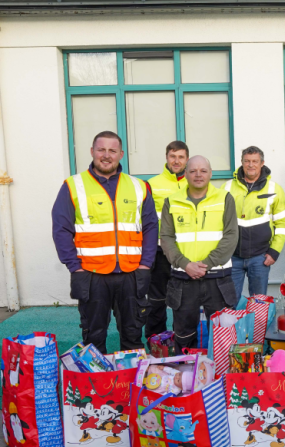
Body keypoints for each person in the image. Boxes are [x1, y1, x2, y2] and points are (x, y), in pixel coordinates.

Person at [52, 131, 157, 353]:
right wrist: (75, 267)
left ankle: (130, 384)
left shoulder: (139, 187)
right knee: (93, 336)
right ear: (92, 152)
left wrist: (146, 265)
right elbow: (61, 229)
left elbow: (150, 228)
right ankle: (96, 385)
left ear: (121, 154)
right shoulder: (73, 186)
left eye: (112, 150)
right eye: (101, 149)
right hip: (90, 274)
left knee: (132, 334)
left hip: (131, 273)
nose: (106, 155)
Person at [160, 155, 239, 351]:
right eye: (193, 171)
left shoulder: (225, 198)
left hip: (218, 279)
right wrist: (185, 264)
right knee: (183, 333)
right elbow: (166, 237)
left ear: (210, 174)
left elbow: (231, 236)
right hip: (183, 279)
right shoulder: (172, 201)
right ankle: (186, 378)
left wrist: (206, 264)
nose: (198, 175)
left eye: (203, 171)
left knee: (223, 336)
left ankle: (222, 379)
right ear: (185, 174)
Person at [223, 146, 285, 298]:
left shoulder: (274, 189)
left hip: (261, 257)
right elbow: (220, 221)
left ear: (262, 163)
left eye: (255, 161)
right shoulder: (227, 187)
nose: (251, 165)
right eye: (247, 161)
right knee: (230, 302)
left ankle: (256, 323)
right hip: (233, 257)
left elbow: (282, 225)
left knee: (259, 304)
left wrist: (274, 252)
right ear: (242, 162)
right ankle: (235, 323)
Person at [145, 140, 189, 338]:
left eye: (180, 157)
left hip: (186, 252)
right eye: (173, 156)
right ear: (166, 158)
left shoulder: (195, 182)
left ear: (187, 159)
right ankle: (157, 344)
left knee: (186, 300)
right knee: (157, 300)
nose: (176, 161)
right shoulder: (152, 184)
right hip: (160, 251)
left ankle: (184, 341)